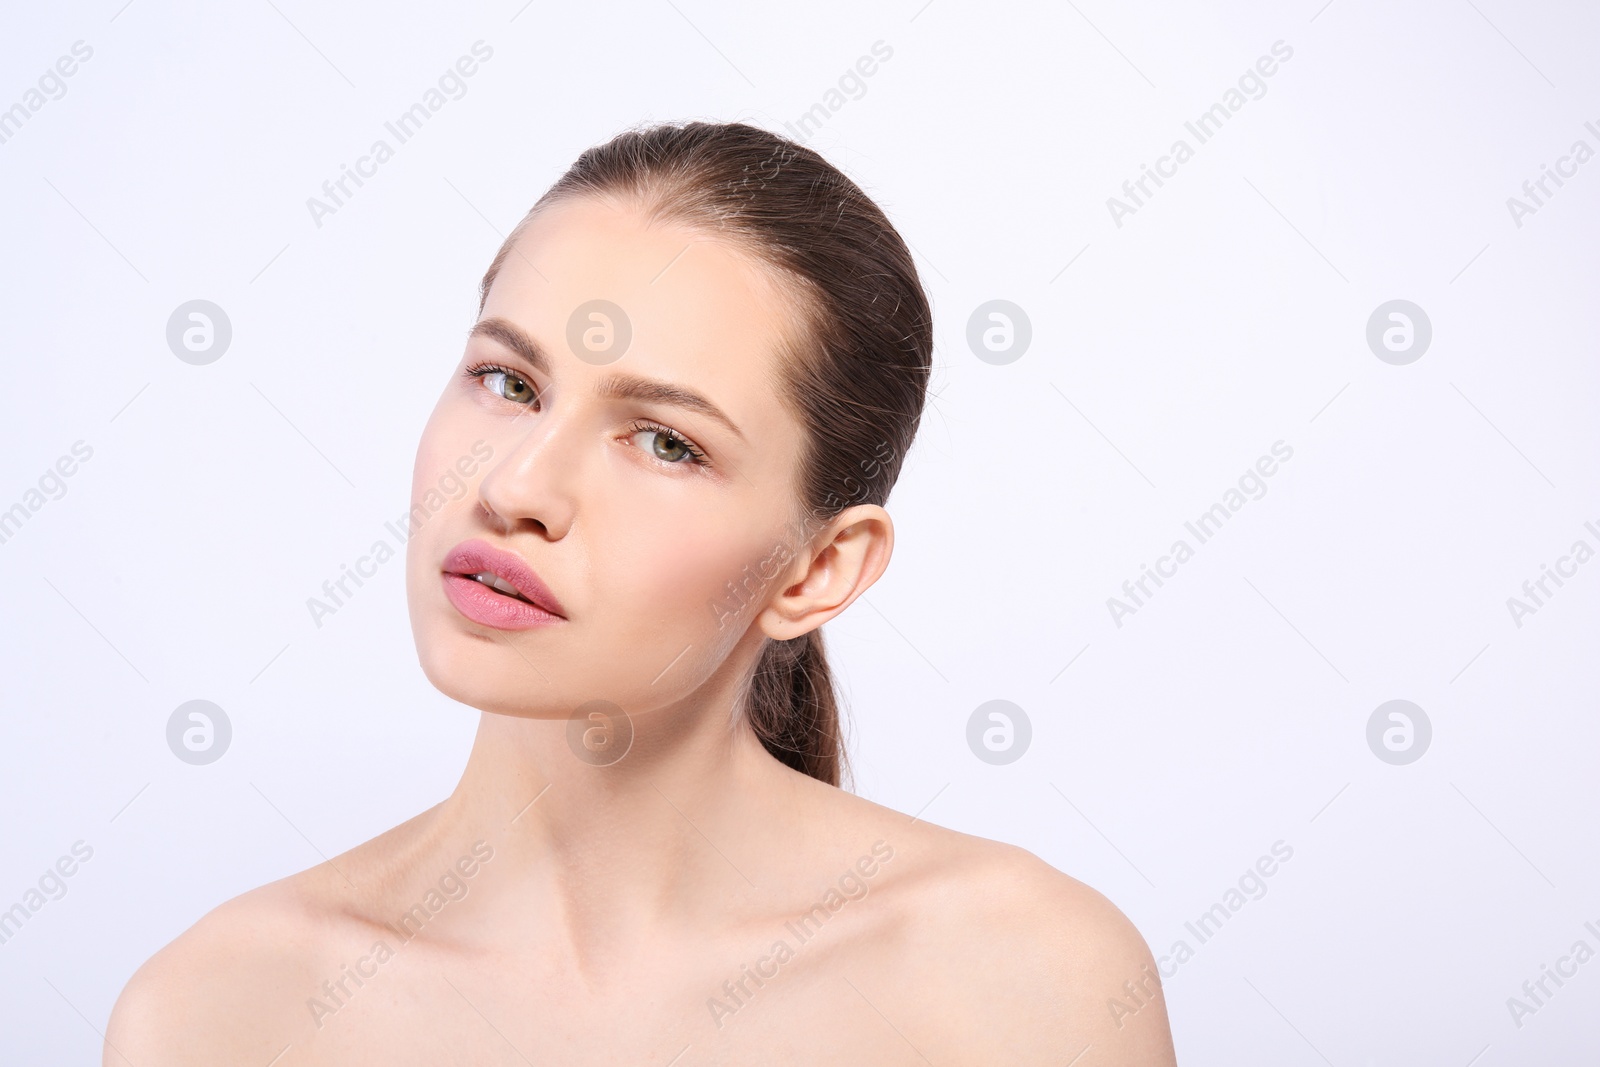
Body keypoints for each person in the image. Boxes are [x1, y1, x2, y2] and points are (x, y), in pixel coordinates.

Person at [105, 120, 1177, 1065]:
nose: (517, 485)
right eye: (509, 382)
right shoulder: (216, 1014)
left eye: (665, 441)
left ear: (819, 568)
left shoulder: (1024, 982)